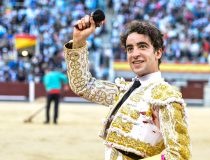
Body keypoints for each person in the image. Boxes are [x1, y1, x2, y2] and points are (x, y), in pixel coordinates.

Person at [63, 15, 191, 160]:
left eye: (142, 46)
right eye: (130, 49)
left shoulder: (165, 97)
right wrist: (79, 41)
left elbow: (179, 155)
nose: (135, 54)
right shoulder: (124, 90)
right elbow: (83, 86)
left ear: (158, 52)